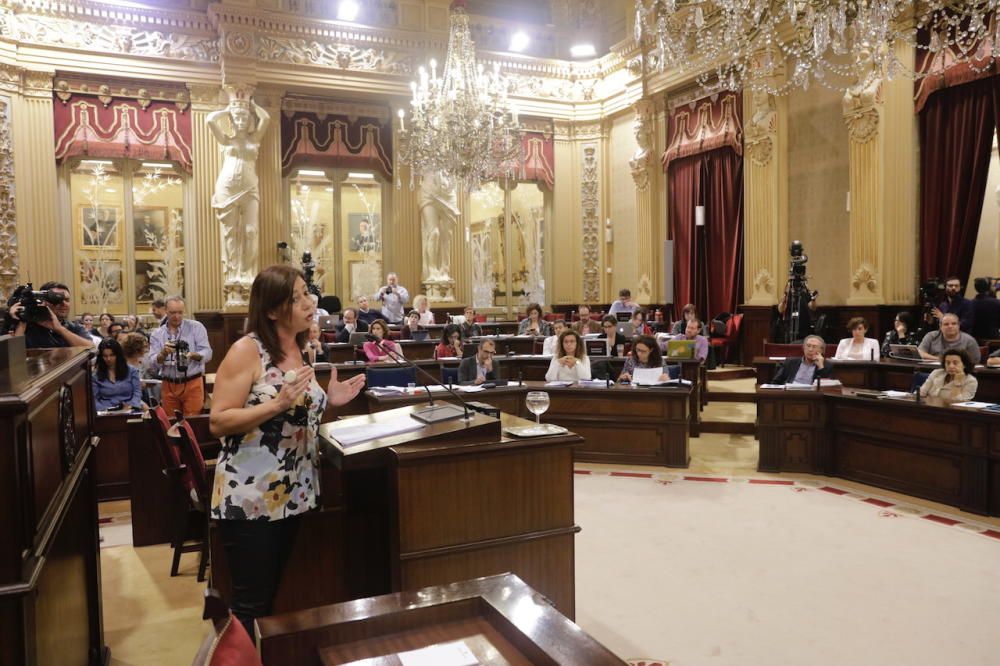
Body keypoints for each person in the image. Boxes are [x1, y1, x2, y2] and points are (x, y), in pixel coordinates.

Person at [209, 264, 365, 637]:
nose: (308, 302)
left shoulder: (299, 348)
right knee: (250, 603)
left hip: (293, 493)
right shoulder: (247, 351)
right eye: (295, 298)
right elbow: (218, 421)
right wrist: (275, 405)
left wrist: (331, 401)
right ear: (272, 310)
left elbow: (297, 421)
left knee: (273, 595)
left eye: (306, 292)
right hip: (250, 497)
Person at [145, 296, 213, 416]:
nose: (177, 316)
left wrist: (193, 355)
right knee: (171, 424)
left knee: (193, 423)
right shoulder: (157, 334)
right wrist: (163, 353)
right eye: (172, 313)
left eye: (180, 312)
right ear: (165, 310)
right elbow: (152, 362)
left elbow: (208, 353)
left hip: (192, 382)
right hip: (168, 384)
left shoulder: (196, 327)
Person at [8, 281, 94, 348]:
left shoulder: (74, 327)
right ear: (43, 301)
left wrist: (60, 329)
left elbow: (91, 348)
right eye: (57, 300)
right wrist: (21, 319)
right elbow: (14, 356)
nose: (63, 304)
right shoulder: (28, 327)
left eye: (67, 300)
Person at [92, 338, 143, 411]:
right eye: (105, 356)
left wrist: (132, 406)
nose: (108, 359)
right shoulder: (95, 376)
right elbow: (94, 400)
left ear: (118, 355)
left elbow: (137, 392)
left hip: (129, 408)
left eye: (112, 355)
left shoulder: (132, 371)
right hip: (106, 411)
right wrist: (104, 410)